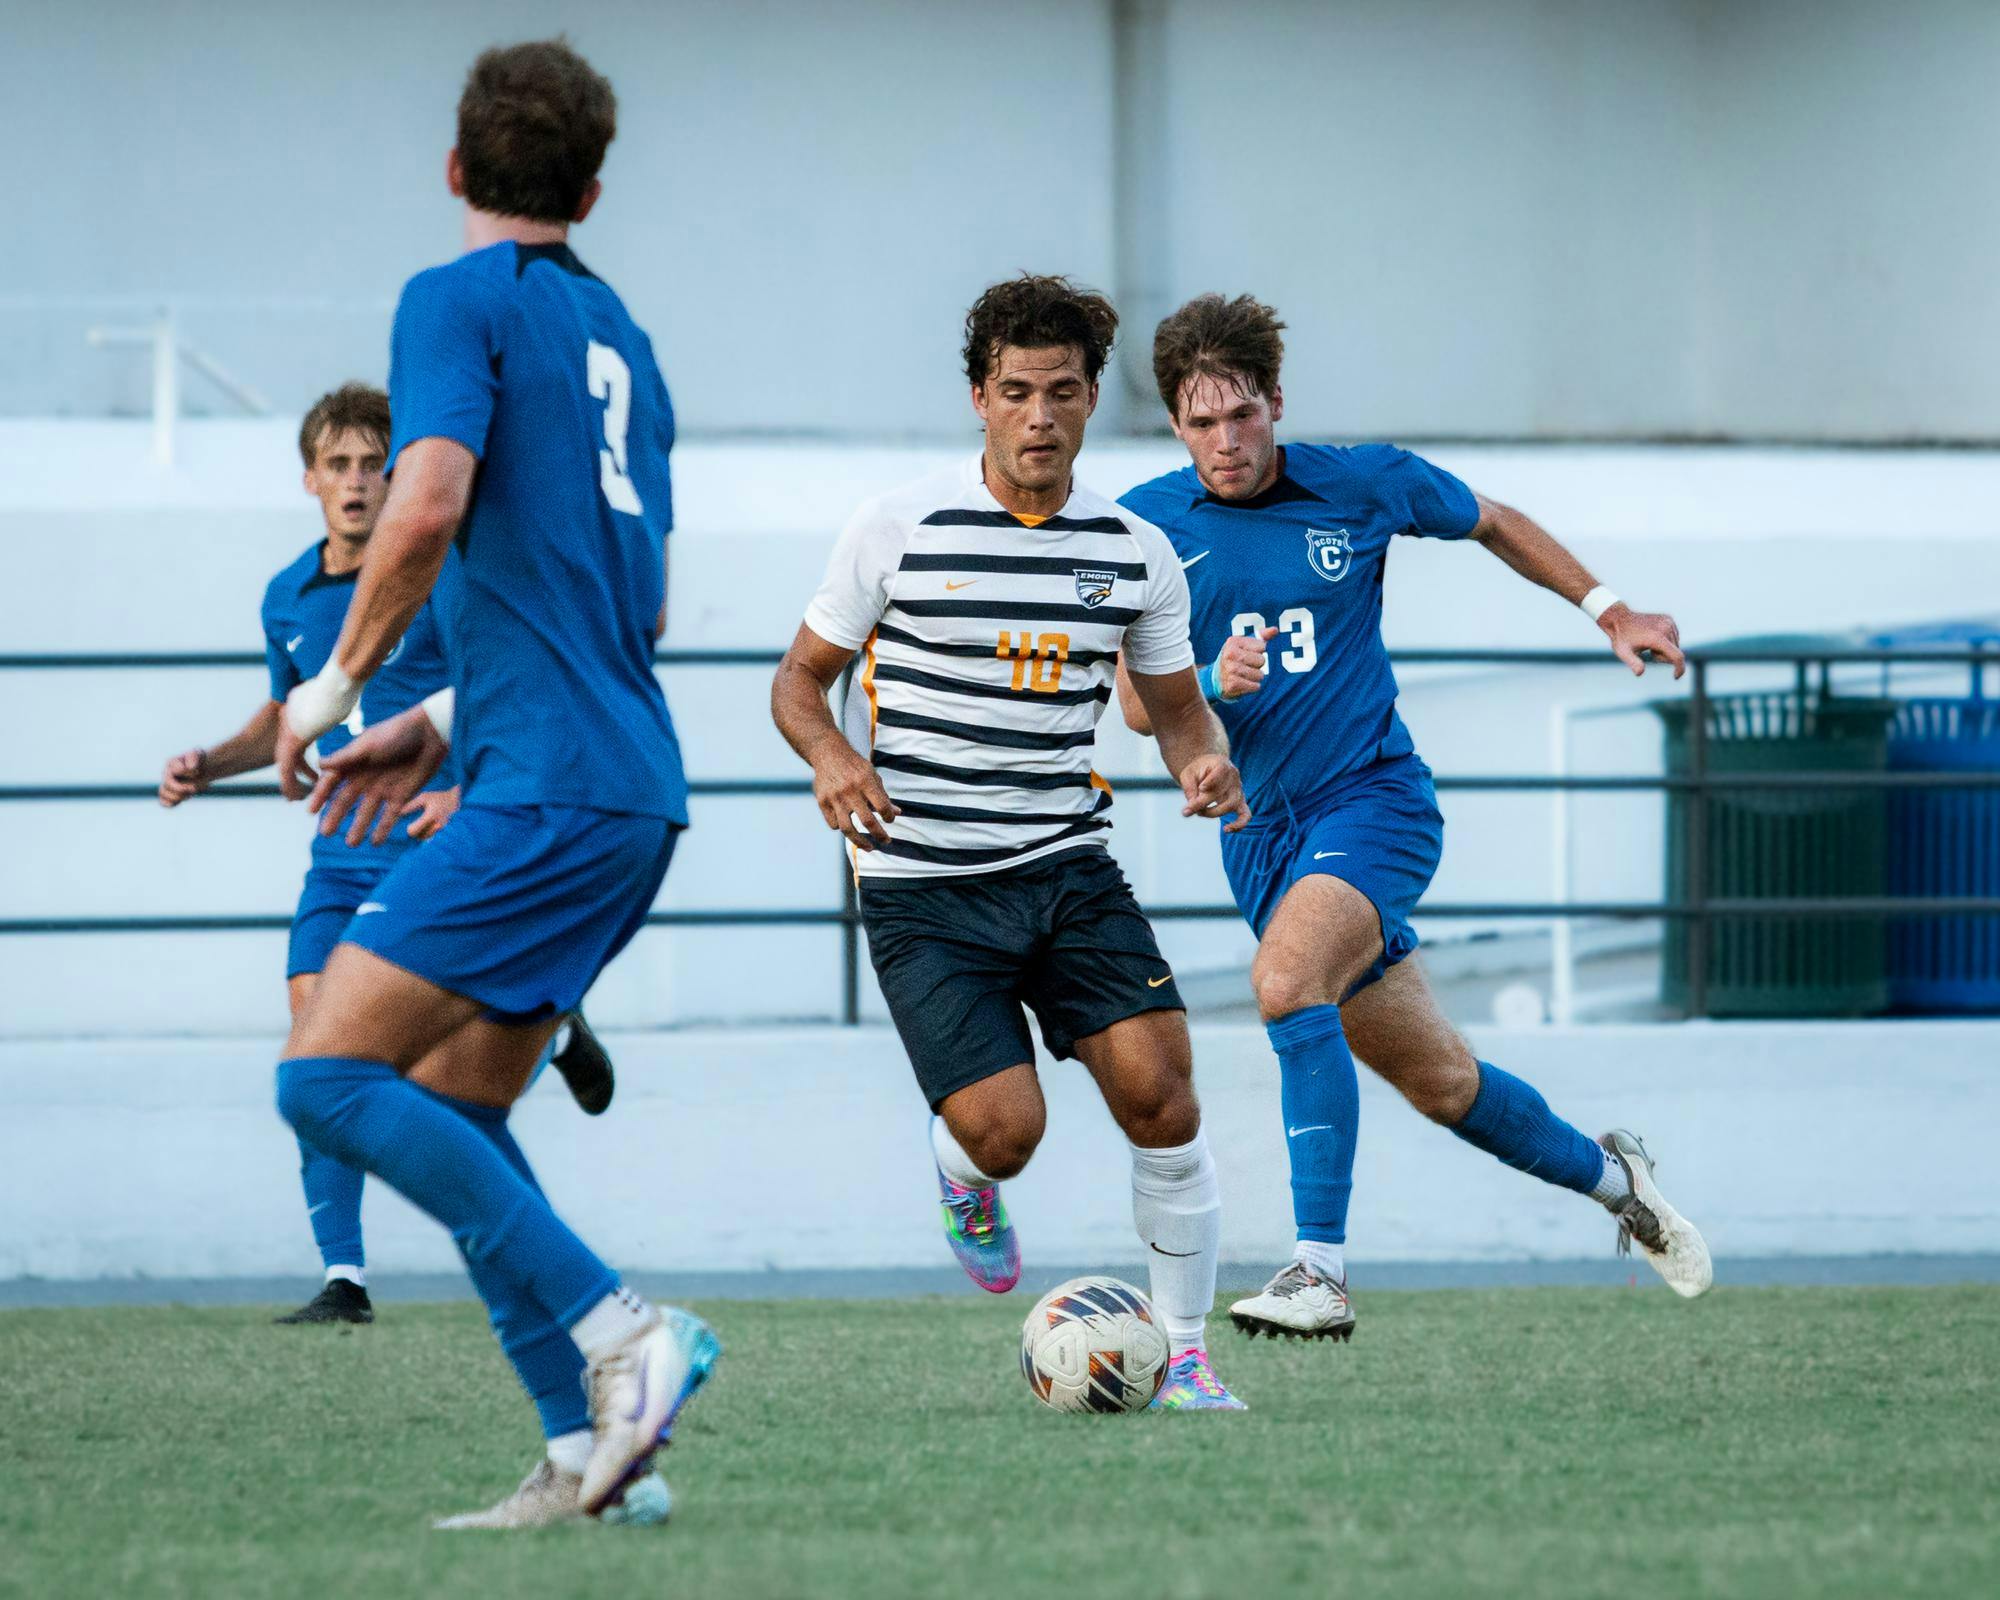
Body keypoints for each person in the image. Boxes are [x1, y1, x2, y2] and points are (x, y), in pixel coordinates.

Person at [266, 40, 712, 1527]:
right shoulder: (627, 339)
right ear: (589, 188)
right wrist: (442, 716)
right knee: (459, 1101)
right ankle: (596, 1460)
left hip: (552, 789)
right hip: (626, 783)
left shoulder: (448, 301)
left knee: (324, 1076)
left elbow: (430, 499)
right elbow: (630, 606)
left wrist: (332, 692)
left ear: (454, 169)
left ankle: (623, 1337)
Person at [1115, 293, 1712, 1342]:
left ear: (1274, 404)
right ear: (1174, 423)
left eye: (1243, 414)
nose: (1225, 440)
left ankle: (1319, 1271)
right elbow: (1133, 701)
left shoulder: (1360, 482)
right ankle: (1618, 1181)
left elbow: (1491, 520)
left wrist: (1608, 608)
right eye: (1202, 421)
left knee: (1284, 981)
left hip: (1373, 802)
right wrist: (1209, 679)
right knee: (1441, 1083)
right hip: (1258, 842)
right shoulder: (1147, 527)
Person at [771, 275, 1253, 1411]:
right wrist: (834, 758)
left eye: (1064, 392)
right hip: (923, 886)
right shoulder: (895, 525)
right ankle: (964, 1171)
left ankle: (1185, 1355)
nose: (1040, 415)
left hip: (1065, 867)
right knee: (1007, 1128)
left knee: (1162, 1096)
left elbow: (1176, 710)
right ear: (978, 399)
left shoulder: (1136, 554)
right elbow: (800, 682)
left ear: (1092, 403)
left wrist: (1200, 760)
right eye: (1016, 391)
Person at [159, 384, 619, 1327]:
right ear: (310, 479)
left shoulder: (445, 573)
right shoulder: (288, 592)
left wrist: (459, 787)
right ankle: (346, 1279)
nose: (359, 482)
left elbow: (498, 686)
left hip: (430, 846)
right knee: (313, 1050)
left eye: (378, 464)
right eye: (340, 465)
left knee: (419, 1075)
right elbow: (290, 709)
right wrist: (215, 762)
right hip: (338, 852)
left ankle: (548, 1034)